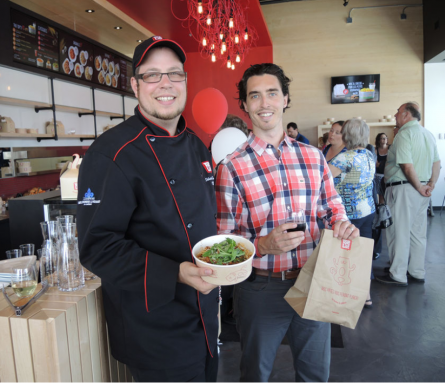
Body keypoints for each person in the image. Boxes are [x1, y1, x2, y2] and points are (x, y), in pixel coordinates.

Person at [76, 36, 219, 382]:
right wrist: (177, 272)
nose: (165, 83)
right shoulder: (110, 154)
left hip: (204, 314)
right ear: (136, 86)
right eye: (152, 75)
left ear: (185, 82)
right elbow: (97, 248)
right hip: (155, 329)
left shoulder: (196, 146)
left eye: (174, 74)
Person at [215, 63, 358, 382]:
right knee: (255, 374)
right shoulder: (231, 168)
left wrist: (342, 223)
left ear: (285, 99)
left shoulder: (313, 157)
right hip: (261, 287)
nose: (264, 102)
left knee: (315, 374)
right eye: (255, 95)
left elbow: (331, 206)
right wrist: (262, 245)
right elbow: (225, 243)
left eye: (271, 93)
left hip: (313, 280)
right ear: (245, 104)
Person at [376, 102, 440, 286]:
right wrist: (430, 185)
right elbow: (437, 163)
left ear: (406, 115)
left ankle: (397, 274)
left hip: (404, 188)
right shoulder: (427, 133)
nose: (395, 115)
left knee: (399, 231)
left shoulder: (404, 134)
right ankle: (417, 271)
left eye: (397, 112)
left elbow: (406, 165)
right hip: (421, 192)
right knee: (417, 233)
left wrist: (419, 186)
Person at [328, 118, 376, 307]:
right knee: (363, 254)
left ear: (347, 135)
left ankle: (342, 296)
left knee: (345, 256)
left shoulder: (344, 157)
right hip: (367, 210)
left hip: (349, 215)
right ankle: (366, 296)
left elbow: (321, 180)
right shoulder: (368, 155)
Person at [372, 132, 390, 259]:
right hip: (377, 176)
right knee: (378, 198)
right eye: (382, 138)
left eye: (385, 138)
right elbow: (376, 165)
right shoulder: (375, 150)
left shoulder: (390, 149)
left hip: (387, 177)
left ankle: (385, 213)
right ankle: (380, 212)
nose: (384, 139)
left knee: (385, 198)